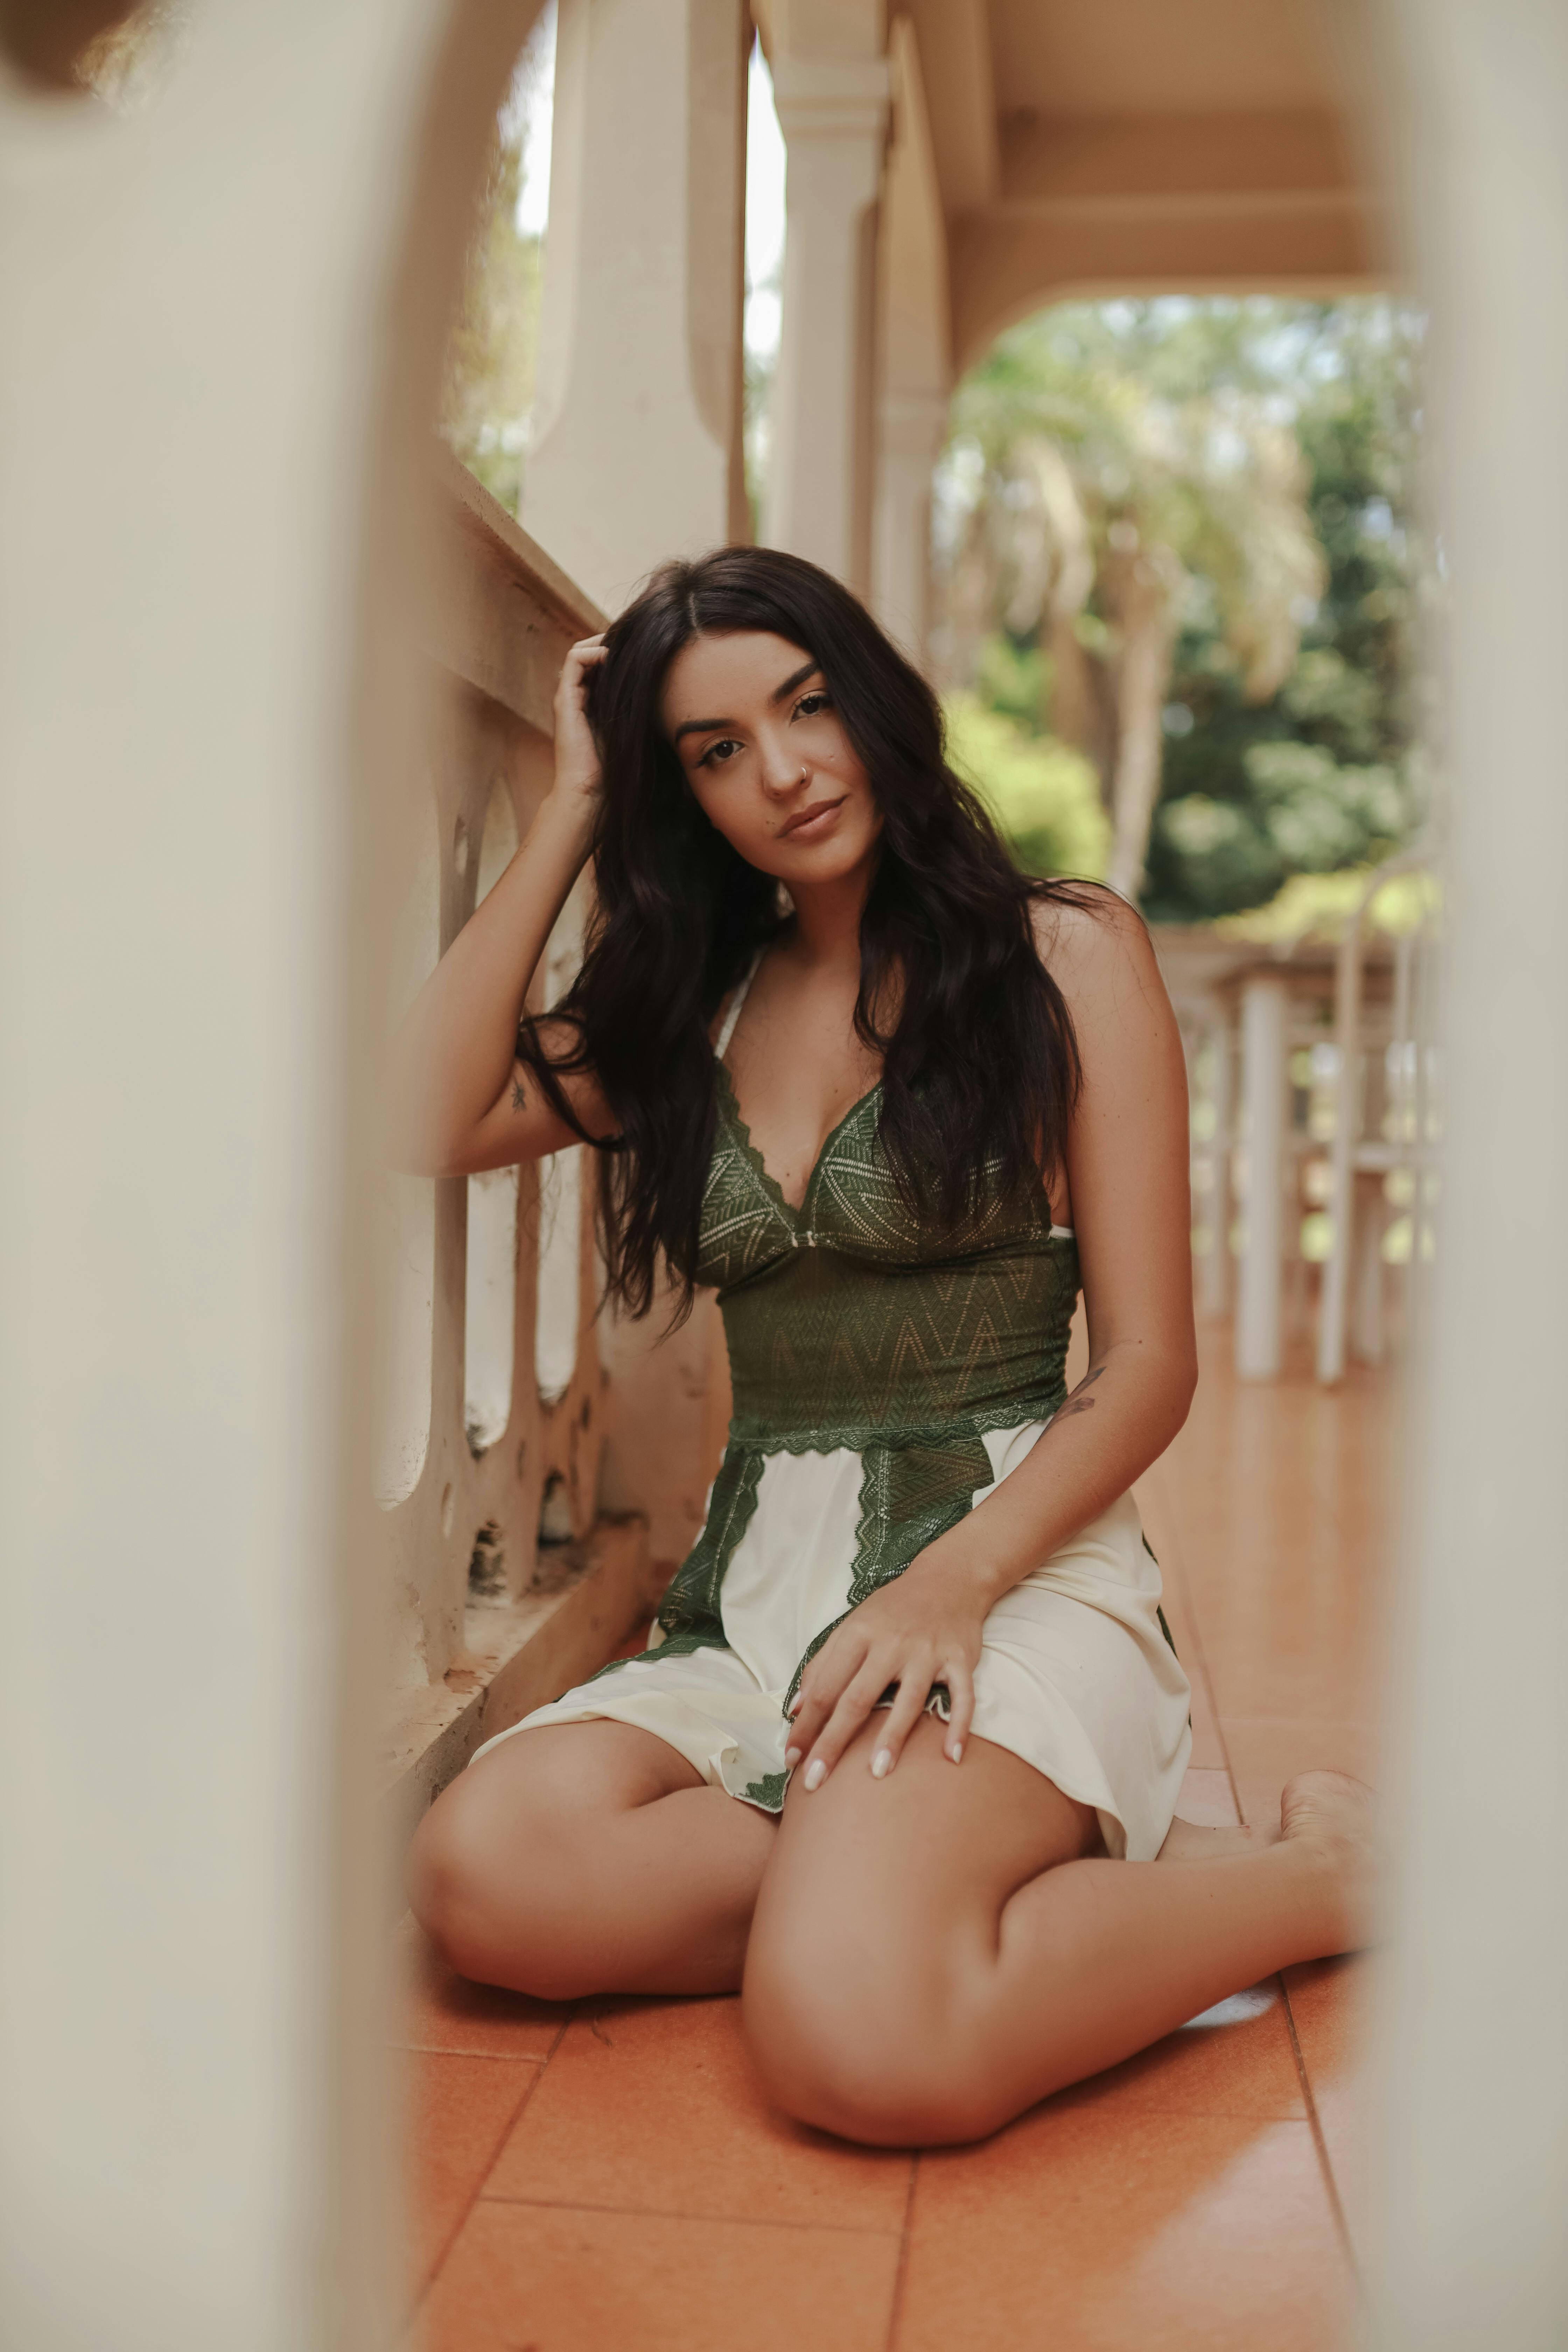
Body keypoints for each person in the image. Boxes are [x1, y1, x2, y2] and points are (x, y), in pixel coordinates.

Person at [398, 546, 1375, 2149]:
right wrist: (574, 805)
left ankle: (1312, 1877)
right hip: (762, 1603)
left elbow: (1149, 1369)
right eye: (713, 750)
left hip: (1012, 1579)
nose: (780, 771)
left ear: (873, 701)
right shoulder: (687, 1011)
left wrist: (950, 1581)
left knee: (861, 2043)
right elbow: (421, 1114)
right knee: (486, 1878)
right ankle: (946, 1875)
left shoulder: (1061, 955)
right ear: (682, 790)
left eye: (805, 706)